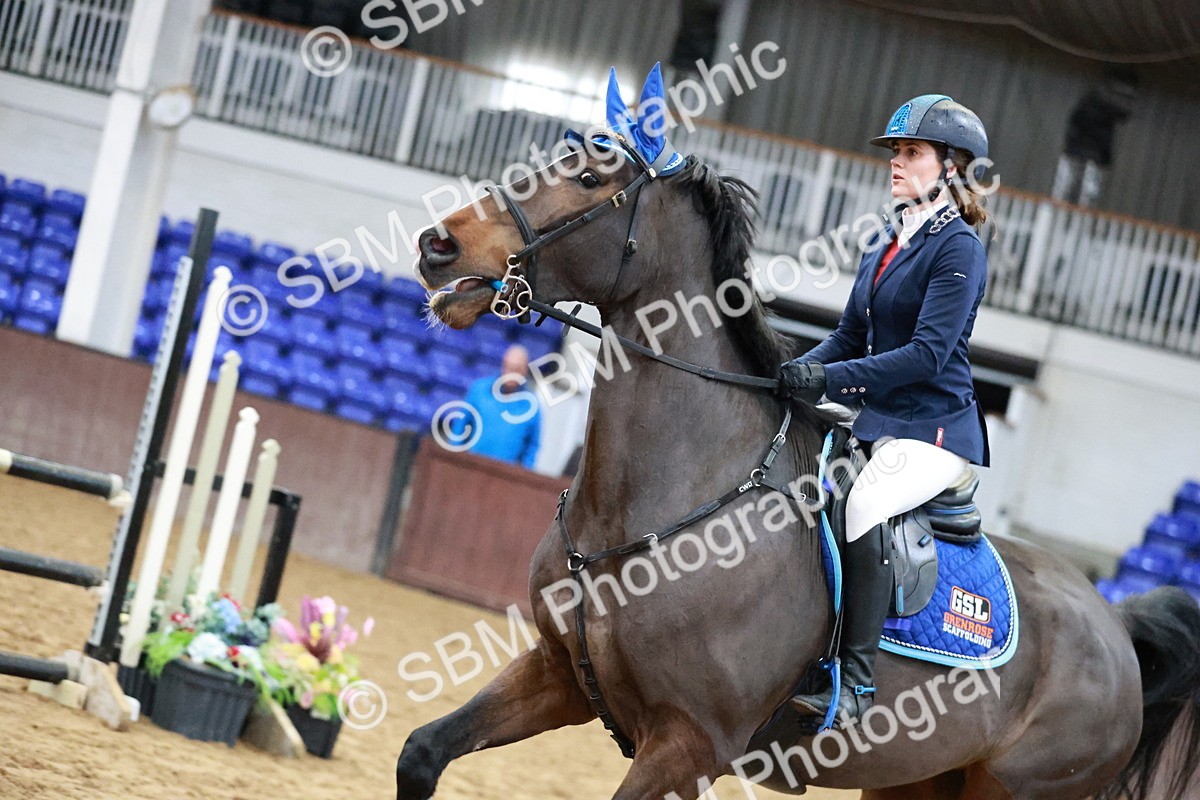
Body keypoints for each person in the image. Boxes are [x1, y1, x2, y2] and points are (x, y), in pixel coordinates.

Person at [777, 94, 992, 725]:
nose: (896, 162)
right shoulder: (885, 241)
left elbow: (927, 355)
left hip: (934, 431)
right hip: (878, 421)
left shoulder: (959, 249)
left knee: (866, 502)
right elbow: (849, 335)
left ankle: (856, 684)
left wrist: (830, 379)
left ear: (952, 166)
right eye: (895, 151)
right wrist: (789, 372)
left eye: (912, 152)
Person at [1052, 68, 1137, 208]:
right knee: (1082, 191)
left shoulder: (1091, 108)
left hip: (1083, 151)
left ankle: (1069, 209)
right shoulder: (1097, 110)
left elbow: (1123, 114)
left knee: (1072, 189)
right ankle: (1073, 210)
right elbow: (1123, 114)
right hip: (1087, 153)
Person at [457, 345, 541, 469]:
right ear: (503, 365)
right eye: (509, 367)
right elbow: (459, 427)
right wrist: (453, 459)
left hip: (503, 475)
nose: (511, 374)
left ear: (524, 371)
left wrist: (523, 473)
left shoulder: (531, 406)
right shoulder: (479, 390)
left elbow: (532, 447)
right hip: (471, 467)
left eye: (517, 369)